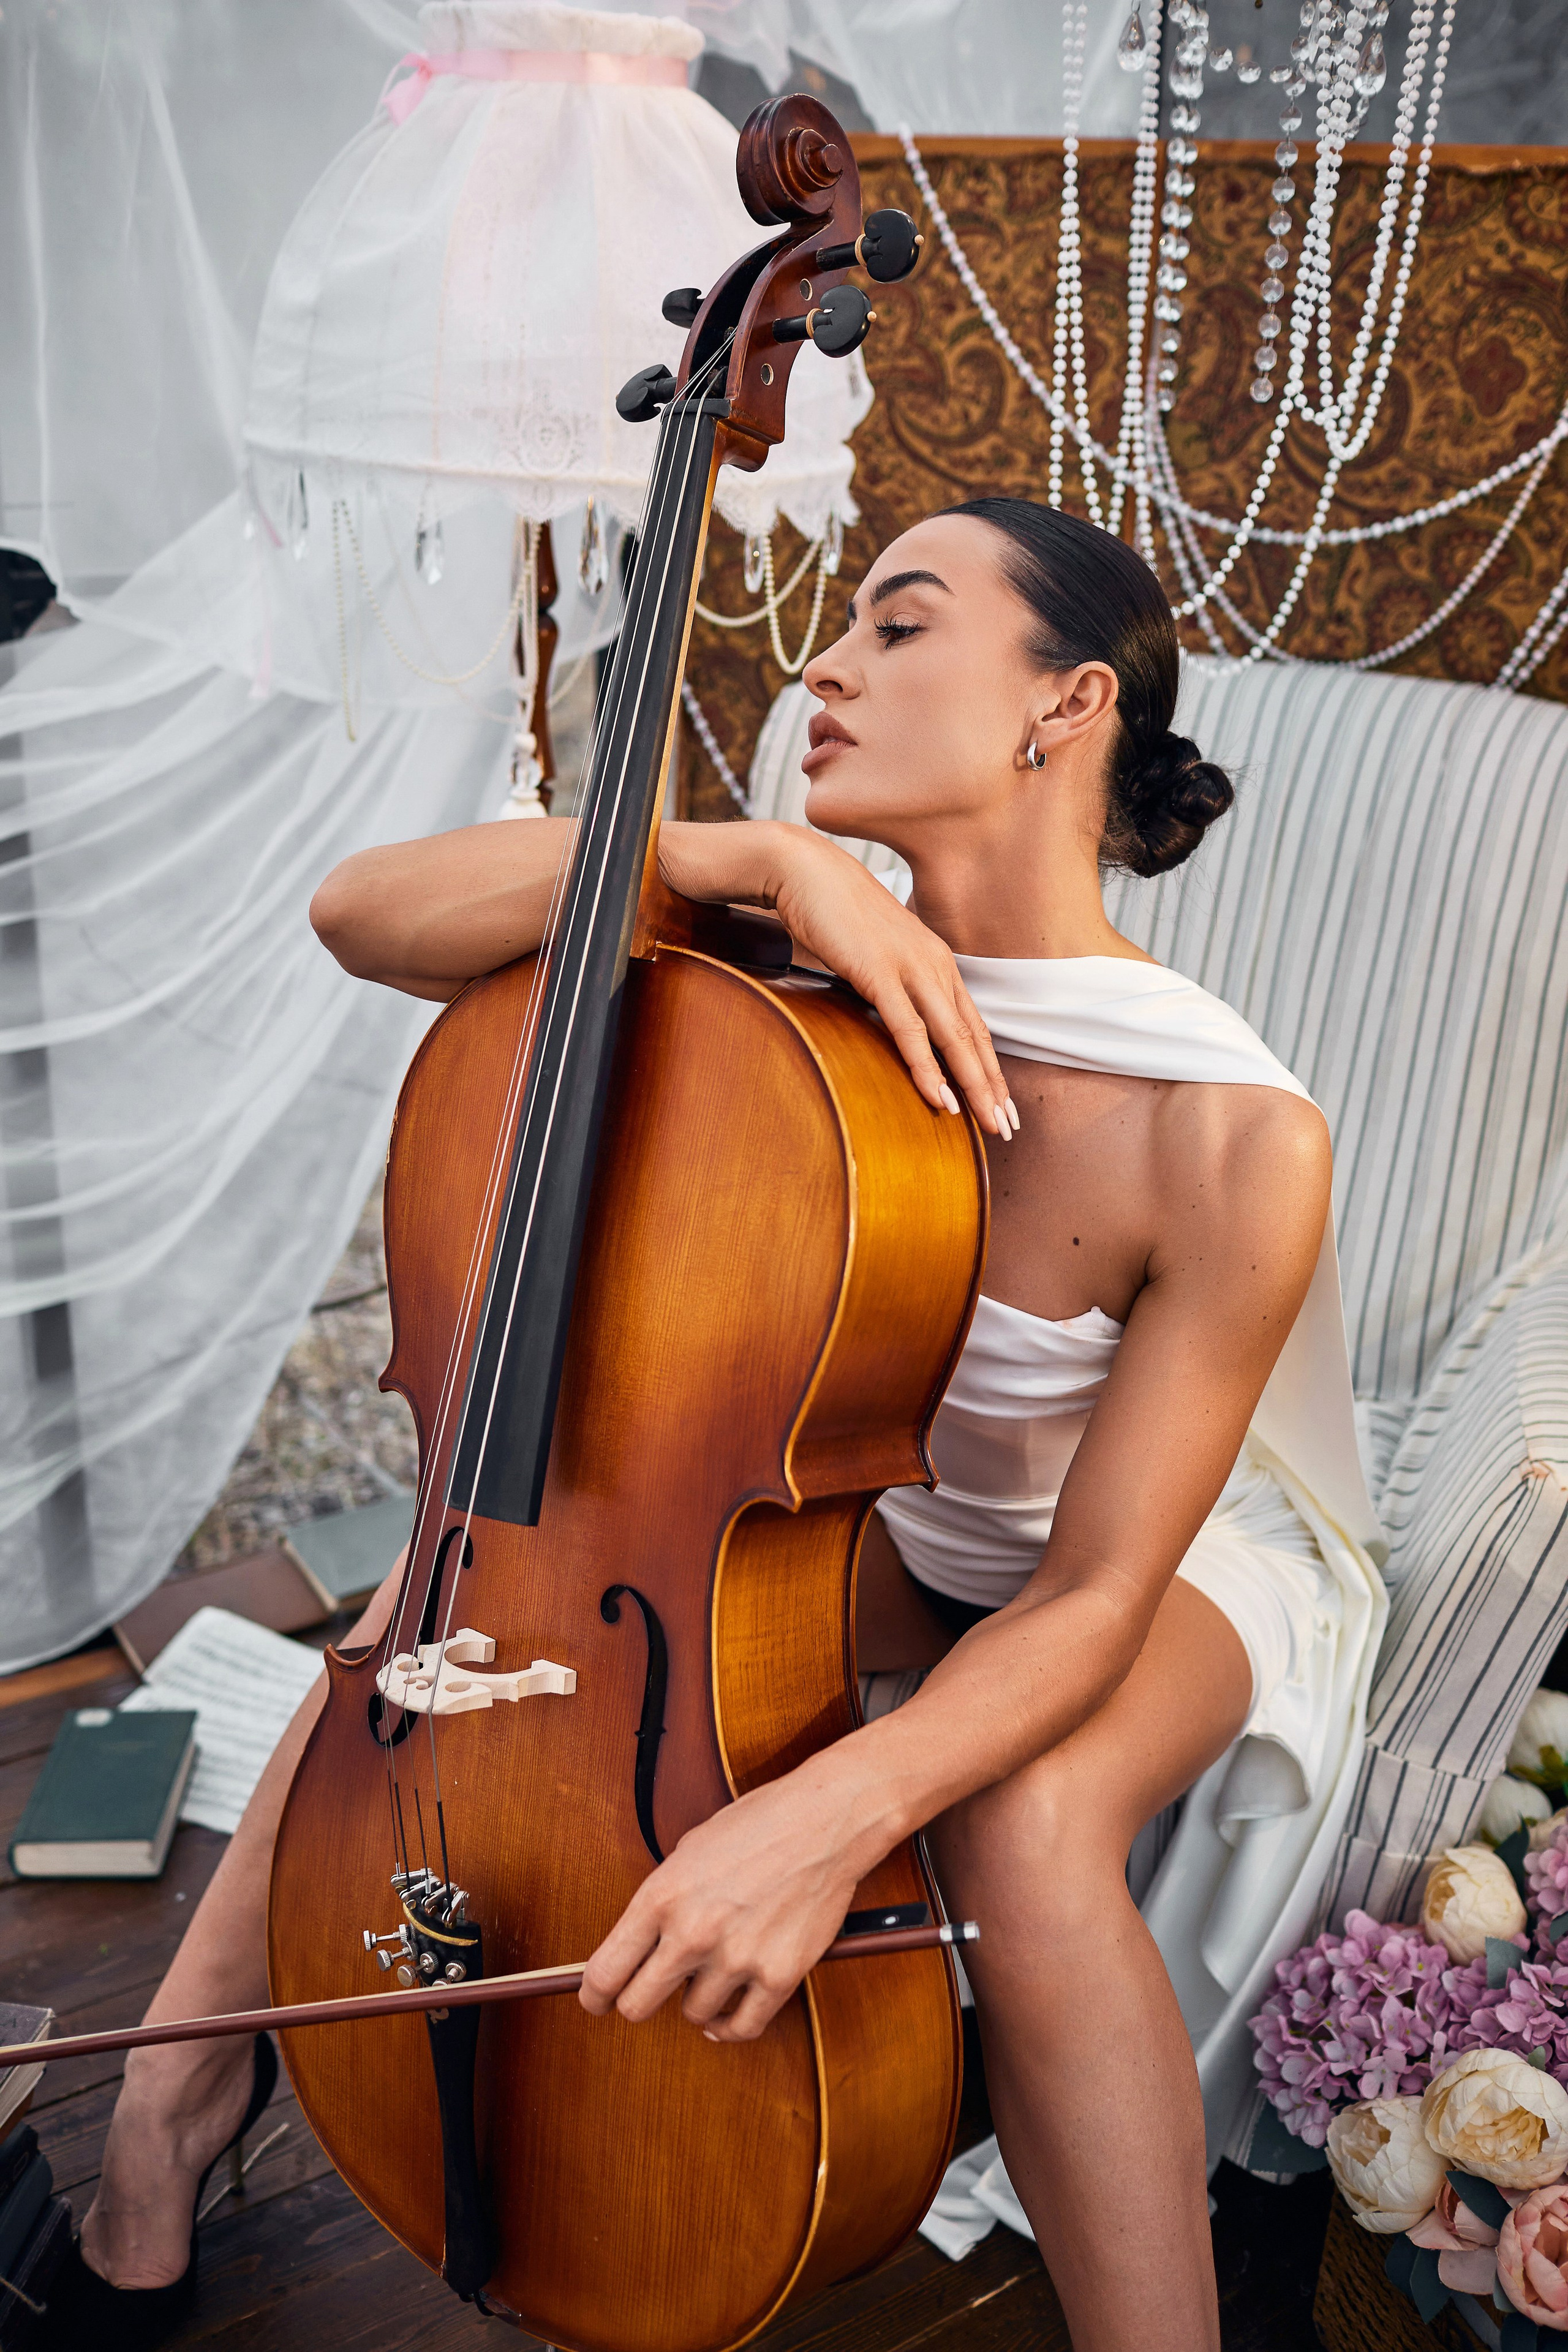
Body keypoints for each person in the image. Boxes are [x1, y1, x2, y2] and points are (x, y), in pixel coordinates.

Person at [62, 499, 1381, 2352]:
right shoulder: (778, 986)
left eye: (900, 629)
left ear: (1063, 706)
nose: (826, 670)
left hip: (1158, 1555)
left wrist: (837, 1808)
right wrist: (735, 854)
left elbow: (1088, 1595)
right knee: (434, 1626)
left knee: (1023, 1813)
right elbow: (355, 912)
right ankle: (173, 2104)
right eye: (842, 627)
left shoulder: (1230, 1135)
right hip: (896, 1522)